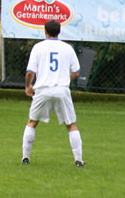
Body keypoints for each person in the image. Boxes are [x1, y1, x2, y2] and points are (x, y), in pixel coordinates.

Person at [21, 19, 84, 166]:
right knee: (71, 124)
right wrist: (64, 80)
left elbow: (30, 72)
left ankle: (25, 157)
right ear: (59, 31)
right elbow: (76, 72)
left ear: (45, 31)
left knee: (32, 122)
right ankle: (79, 160)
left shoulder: (38, 47)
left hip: (42, 89)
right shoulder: (67, 48)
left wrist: (28, 86)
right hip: (62, 89)